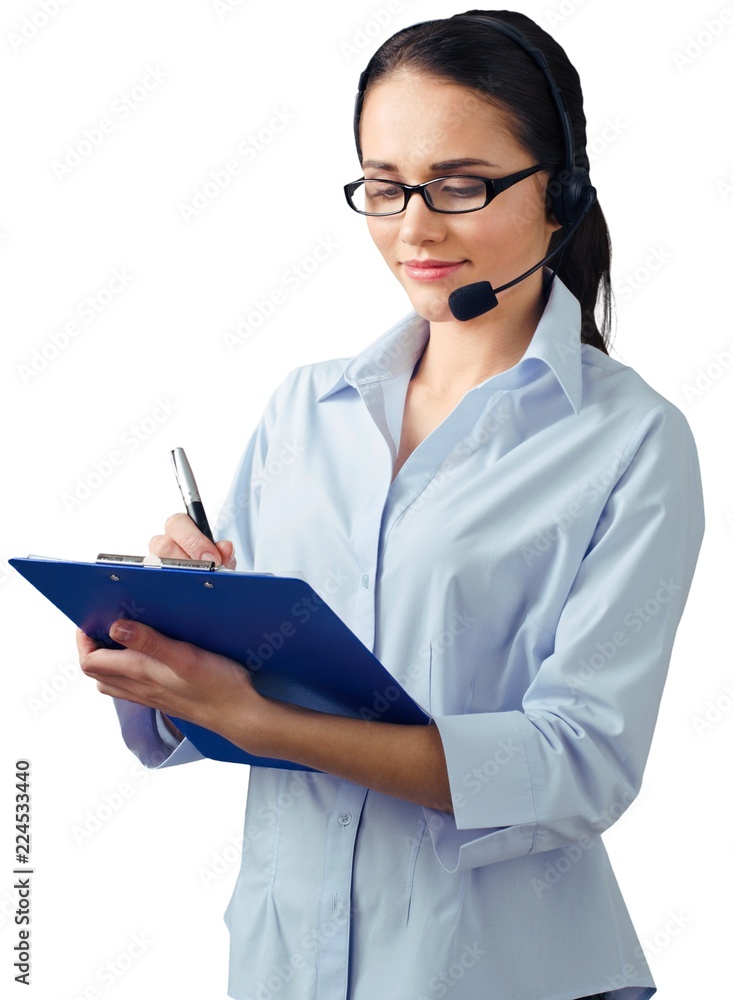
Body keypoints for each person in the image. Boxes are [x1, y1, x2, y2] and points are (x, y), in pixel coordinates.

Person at [77, 9, 704, 1000]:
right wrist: (171, 647)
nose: (413, 227)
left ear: (562, 194)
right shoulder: (304, 412)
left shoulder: (630, 442)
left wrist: (268, 723)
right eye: (383, 186)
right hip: (287, 965)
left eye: (459, 185)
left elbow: (578, 763)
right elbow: (248, 699)